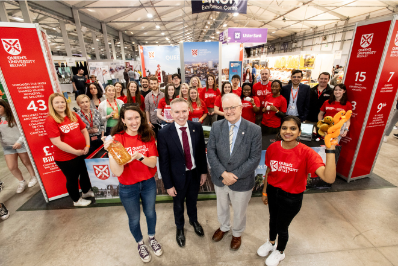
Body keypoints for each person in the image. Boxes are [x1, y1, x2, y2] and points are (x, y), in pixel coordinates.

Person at [257, 116, 336, 266]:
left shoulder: (307, 153)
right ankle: (271, 242)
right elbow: (269, 170)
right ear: (280, 130)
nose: (288, 131)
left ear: (299, 132)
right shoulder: (273, 148)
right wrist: (265, 192)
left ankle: (280, 251)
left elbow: (329, 177)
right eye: (284, 128)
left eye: (293, 128)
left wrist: (330, 150)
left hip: (291, 197)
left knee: (282, 226)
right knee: (272, 220)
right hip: (273, 191)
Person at [103, 104, 162, 263]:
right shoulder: (117, 139)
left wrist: (138, 156)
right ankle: (140, 243)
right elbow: (118, 172)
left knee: (150, 213)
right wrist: (111, 153)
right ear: (123, 120)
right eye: (129, 118)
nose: (134, 121)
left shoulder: (147, 135)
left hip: (148, 183)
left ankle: (152, 238)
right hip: (128, 187)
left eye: (137, 117)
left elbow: (152, 163)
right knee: (134, 218)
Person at [207, 93, 262, 251]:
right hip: (220, 178)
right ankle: (224, 227)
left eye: (232, 107)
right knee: (222, 207)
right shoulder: (217, 126)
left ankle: (237, 233)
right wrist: (223, 173)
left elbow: (254, 158)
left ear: (241, 108)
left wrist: (234, 175)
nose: (229, 111)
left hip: (242, 180)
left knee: (239, 210)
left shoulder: (254, 129)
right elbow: (210, 151)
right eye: (226, 108)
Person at [157, 98, 208, 247]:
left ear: (189, 111)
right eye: (177, 112)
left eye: (184, 111)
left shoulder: (197, 127)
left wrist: (203, 172)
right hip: (176, 177)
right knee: (178, 204)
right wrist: (168, 184)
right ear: (171, 114)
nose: (181, 115)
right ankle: (179, 228)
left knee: (193, 201)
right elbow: (164, 162)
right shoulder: (164, 133)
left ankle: (193, 220)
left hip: (194, 173)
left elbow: (200, 153)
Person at [44, 93, 93, 207]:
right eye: (57, 102)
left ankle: (85, 192)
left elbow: (84, 130)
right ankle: (76, 200)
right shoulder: (51, 120)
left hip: (82, 152)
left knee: (85, 173)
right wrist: (75, 151)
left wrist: (87, 145)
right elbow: (56, 142)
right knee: (72, 178)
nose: (60, 104)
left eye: (62, 102)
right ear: (52, 105)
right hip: (66, 157)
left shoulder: (73, 114)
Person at [0, 99, 37, 193]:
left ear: (4, 106)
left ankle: (33, 177)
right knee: (12, 167)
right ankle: (21, 181)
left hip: (20, 144)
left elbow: (24, 129)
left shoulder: (14, 116)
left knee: (26, 162)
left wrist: (20, 141)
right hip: (7, 146)